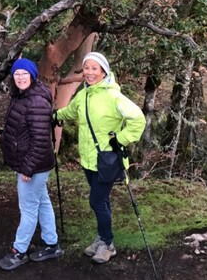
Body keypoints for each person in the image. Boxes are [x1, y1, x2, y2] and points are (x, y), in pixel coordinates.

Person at [54, 52, 145, 264]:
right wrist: (55, 116)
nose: (89, 72)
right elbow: (71, 112)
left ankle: (108, 244)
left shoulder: (114, 96)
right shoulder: (84, 95)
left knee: (96, 201)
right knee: (101, 201)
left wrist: (120, 139)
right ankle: (102, 238)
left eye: (95, 69)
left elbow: (138, 119)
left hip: (107, 161)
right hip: (88, 160)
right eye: (87, 68)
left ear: (104, 71)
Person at [0, 58, 64, 271]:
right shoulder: (21, 95)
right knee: (42, 201)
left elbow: (41, 141)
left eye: (25, 74)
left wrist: (27, 168)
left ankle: (19, 251)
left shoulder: (35, 102)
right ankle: (52, 244)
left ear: (32, 76)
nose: (20, 77)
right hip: (32, 164)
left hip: (33, 165)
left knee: (28, 208)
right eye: (17, 74)